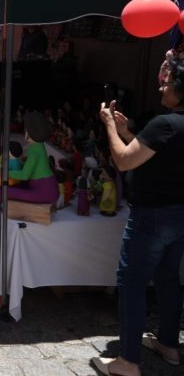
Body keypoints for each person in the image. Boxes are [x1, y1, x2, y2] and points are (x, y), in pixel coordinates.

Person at [91, 55, 184, 376]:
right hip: (178, 213)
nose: (162, 85)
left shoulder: (165, 124)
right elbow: (151, 156)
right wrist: (127, 131)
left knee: (132, 284)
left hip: (152, 216)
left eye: (169, 82)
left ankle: (128, 361)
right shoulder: (172, 125)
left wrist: (108, 128)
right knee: (168, 279)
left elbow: (124, 161)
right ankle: (169, 344)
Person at [0, 112, 58, 206]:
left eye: (26, 130)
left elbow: (24, 175)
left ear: (32, 132)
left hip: (45, 191)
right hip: (38, 185)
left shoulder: (35, 152)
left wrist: (5, 172)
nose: (24, 131)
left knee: (6, 191)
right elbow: (30, 168)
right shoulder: (37, 146)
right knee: (11, 185)